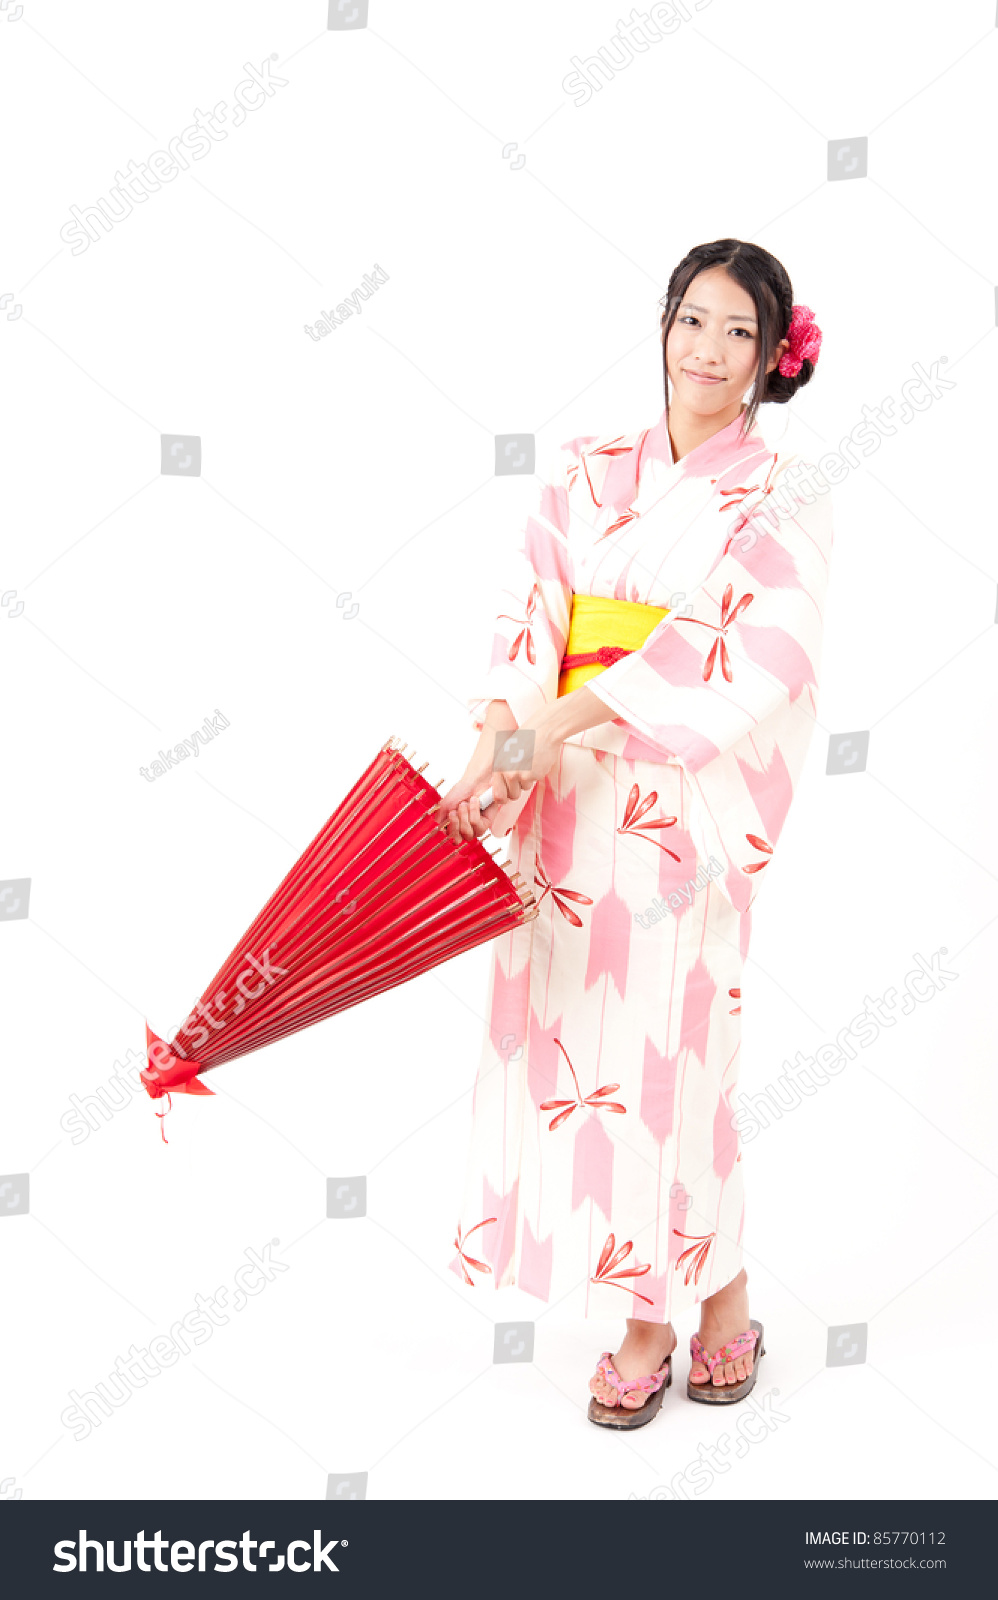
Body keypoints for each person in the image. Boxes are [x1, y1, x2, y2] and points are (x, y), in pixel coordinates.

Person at [432, 238, 832, 1429]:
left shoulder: (783, 494)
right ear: (661, 326)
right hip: (563, 809)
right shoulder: (584, 465)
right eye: (690, 321)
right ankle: (727, 1304)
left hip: (671, 808)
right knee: (590, 1067)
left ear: (770, 361)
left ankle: (646, 1318)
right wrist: (498, 740)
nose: (706, 352)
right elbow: (529, 610)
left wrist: (552, 721)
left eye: (736, 335)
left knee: (671, 1064)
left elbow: (752, 650)